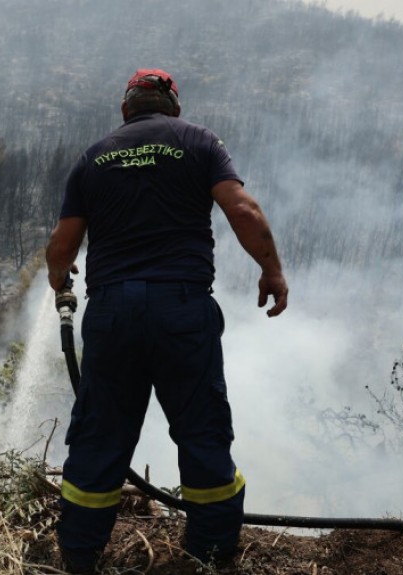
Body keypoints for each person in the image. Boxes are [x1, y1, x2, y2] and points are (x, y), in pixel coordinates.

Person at [45, 68, 288, 574]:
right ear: (172, 105)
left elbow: (61, 249)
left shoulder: (93, 157)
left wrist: (60, 280)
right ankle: (209, 557)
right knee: (202, 433)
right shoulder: (197, 141)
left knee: (99, 437)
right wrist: (272, 271)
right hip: (182, 310)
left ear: (125, 109)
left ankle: (79, 558)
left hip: (111, 315)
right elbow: (242, 210)